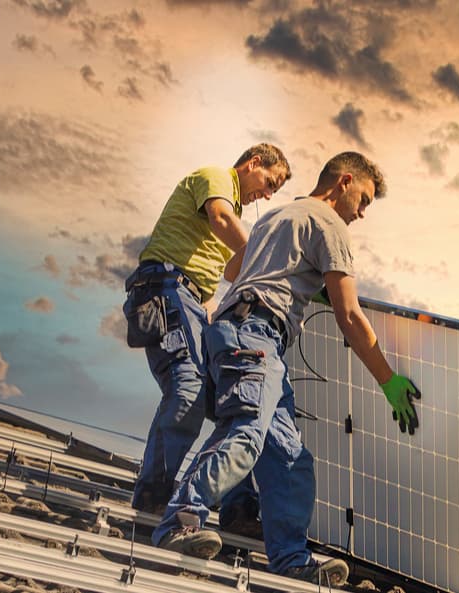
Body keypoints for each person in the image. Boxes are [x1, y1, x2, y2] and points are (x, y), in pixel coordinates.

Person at [151, 152, 422, 586]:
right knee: (244, 434)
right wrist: (388, 380)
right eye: (364, 199)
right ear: (344, 182)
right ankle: (179, 522)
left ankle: (291, 557)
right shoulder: (329, 223)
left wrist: (287, 273)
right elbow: (349, 315)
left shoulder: (277, 215)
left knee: (289, 456)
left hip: (242, 334)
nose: (364, 213)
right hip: (256, 335)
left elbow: (233, 268)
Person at [123, 144, 290, 515]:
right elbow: (220, 219)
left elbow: (223, 278)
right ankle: (152, 499)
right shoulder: (216, 178)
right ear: (253, 163)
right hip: (166, 287)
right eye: (269, 183)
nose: (265, 194)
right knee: (188, 391)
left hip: (192, 301)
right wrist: (266, 255)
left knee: (230, 402)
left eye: (273, 192)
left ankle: (237, 507)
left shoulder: (235, 213)